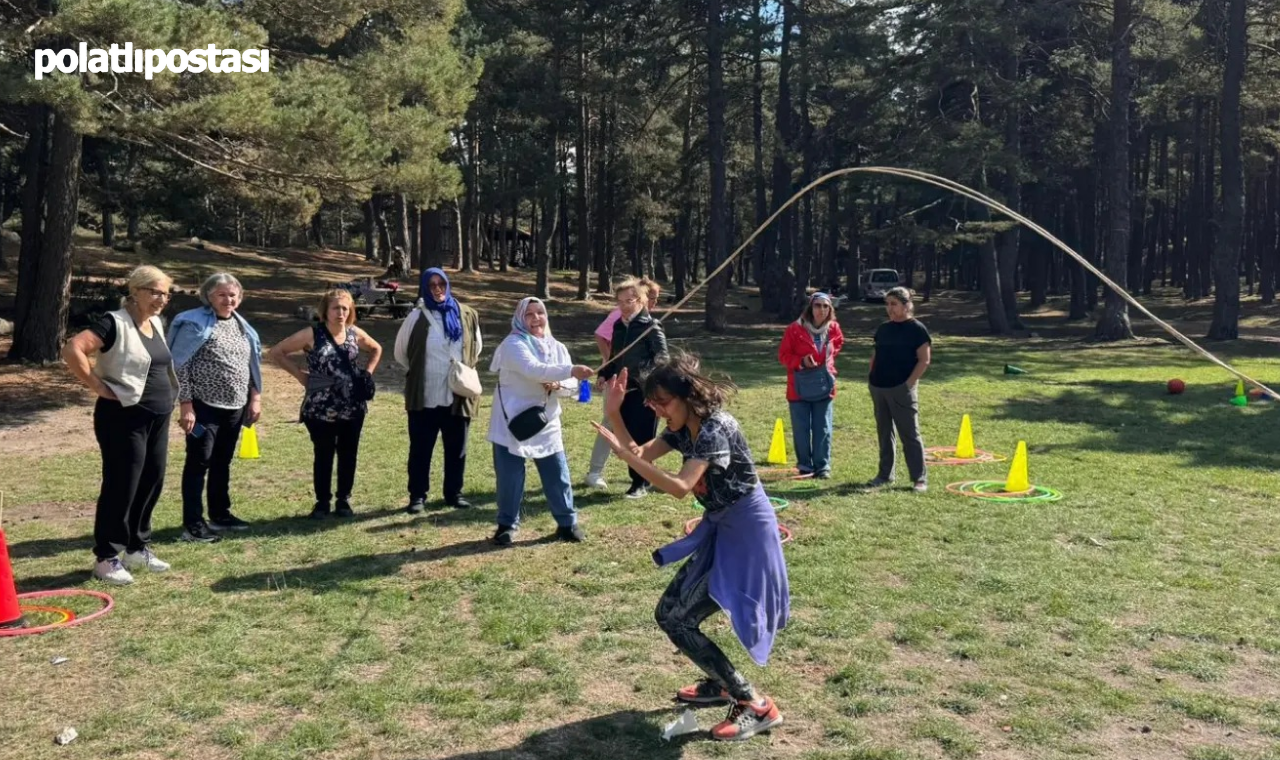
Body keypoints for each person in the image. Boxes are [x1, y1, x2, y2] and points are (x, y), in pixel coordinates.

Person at [593, 354, 789, 742]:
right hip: (722, 528)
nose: (657, 409)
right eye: (652, 403)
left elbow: (681, 487)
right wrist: (614, 413)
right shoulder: (683, 428)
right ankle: (721, 683)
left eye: (662, 401)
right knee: (673, 614)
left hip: (746, 536)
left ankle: (755, 705)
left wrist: (625, 453)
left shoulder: (716, 427)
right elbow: (641, 456)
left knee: (676, 617)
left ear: (688, 396)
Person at [62, 265, 179, 585]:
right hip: (123, 418)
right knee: (122, 483)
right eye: (155, 291)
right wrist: (97, 386)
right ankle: (106, 557)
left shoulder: (155, 322)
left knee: (151, 479)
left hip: (157, 416)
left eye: (166, 293)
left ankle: (136, 546)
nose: (161, 299)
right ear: (136, 290)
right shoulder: (114, 322)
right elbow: (73, 348)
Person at [487, 297, 595, 546]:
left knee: (557, 473)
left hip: (546, 421)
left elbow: (570, 387)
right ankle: (506, 525)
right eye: (529, 314)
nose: (536, 318)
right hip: (512, 421)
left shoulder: (556, 347)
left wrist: (561, 383)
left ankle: (567, 524)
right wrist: (570, 371)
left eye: (540, 313)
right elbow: (533, 369)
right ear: (520, 318)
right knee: (510, 476)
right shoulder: (513, 343)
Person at [269, 289, 382, 518]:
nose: (340, 313)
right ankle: (322, 502)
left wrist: (367, 374)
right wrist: (302, 377)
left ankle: (343, 500)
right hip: (321, 405)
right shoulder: (312, 334)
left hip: (352, 404)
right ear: (325, 310)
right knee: (324, 452)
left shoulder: (354, 333)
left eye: (345, 308)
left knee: (348, 453)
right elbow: (277, 352)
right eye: (335, 308)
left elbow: (376, 349)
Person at [167, 273, 263, 542]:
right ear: (208, 296)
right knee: (199, 461)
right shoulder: (193, 324)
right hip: (201, 409)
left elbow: (252, 365)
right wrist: (186, 405)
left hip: (234, 408)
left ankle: (220, 515)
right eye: (222, 294)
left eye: (233, 295)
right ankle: (193, 524)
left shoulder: (243, 327)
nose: (228, 299)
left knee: (222, 462)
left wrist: (255, 398)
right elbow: (180, 365)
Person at [393, 267, 483, 514]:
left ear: (447, 284)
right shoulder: (416, 317)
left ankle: (454, 493)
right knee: (421, 448)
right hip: (425, 395)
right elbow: (401, 353)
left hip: (457, 394)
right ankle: (417, 496)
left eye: (441, 284)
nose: (437, 289)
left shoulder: (467, 314)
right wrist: (425, 369)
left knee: (457, 448)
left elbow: (476, 348)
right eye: (431, 285)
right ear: (424, 288)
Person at [585, 277, 662, 490]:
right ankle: (639, 479)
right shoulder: (619, 325)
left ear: (642, 300)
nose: (624, 306)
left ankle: (641, 483)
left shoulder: (651, 326)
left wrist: (646, 380)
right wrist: (606, 372)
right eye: (620, 302)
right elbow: (615, 355)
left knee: (642, 435)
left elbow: (662, 358)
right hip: (622, 389)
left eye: (629, 301)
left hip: (644, 391)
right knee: (626, 435)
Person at [866, 286, 931, 492]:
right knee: (884, 433)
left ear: (906, 305)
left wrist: (908, 384)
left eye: (894, 304)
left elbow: (924, 360)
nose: (890, 308)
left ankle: (919, 478)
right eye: (887, 304)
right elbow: (875, 355)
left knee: (909, 434)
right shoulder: (884, 328)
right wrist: (871, 378)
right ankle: (885, 474)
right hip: (879, 387)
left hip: (901, 388)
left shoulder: (917, 329)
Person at [777, 292, 844, 478]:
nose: (821, 310)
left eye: (825, 306)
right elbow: (783, 355)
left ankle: (823, 467)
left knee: (823, 427)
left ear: (830, 309)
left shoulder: (834, 329)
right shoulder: (794, 329)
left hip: (824, 385)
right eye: (817, 305)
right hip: (798, 387)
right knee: (801, 428)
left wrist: (827, 367)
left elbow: (837, 346)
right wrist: (801, 361)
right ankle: (805, 465)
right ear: (810, 307)